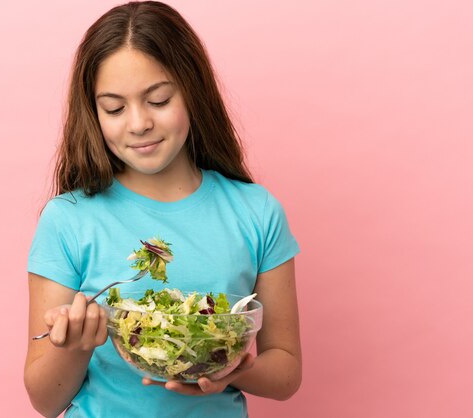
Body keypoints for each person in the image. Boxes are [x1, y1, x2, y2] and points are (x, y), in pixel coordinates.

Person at [24, 2, 301, 417]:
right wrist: (75, 348)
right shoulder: (68, 219)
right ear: (93, 112)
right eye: (114, 108)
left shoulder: (256, 212)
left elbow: (286, 371)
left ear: (193, 91)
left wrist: (229, 368)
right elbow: (44, 402)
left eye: (158, 99)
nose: (138, 124)